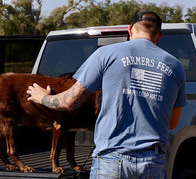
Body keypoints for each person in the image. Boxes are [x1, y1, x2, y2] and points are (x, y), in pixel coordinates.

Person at [27, 11, 186, 179]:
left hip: (112, 160)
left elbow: (69, 102)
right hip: (152, 161)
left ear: (130, 30)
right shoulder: (175, 66)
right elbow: (172, 123)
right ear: (159, 36)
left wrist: (42, 97)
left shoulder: (106, 54)